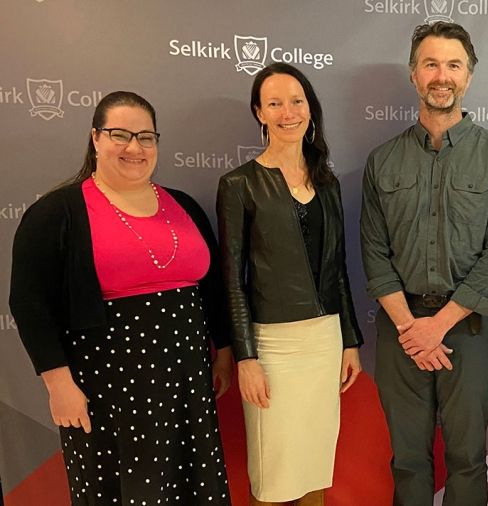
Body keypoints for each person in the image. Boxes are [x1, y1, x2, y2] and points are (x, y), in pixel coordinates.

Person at [9, 91, 233, 505]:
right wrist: (59, 384)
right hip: (107, 392)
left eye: (146, 137)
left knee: (193, 490)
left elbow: (213, 290)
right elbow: (29, 303)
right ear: (95, 138)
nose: (135, 147)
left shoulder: (182, 205)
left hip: (187, 386)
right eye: (120, 134)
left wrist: (222, 353)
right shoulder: (57, 213)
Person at [360, 21, 488, 506]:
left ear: (468, 76)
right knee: (407, 457)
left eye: (453, 65)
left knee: (468, 457)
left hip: (467, 328)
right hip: (399, 327)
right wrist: (413, 328)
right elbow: (373, 251)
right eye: (431, 64)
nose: (441, 75)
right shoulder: (382, 161)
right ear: (413, 75)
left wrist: (440, 325)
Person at [216, 62, 363, 506]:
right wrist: (246, 357)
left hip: (324, 343)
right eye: (274, 103)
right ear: (259, 113)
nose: (287, 112)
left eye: (296, 101)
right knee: (275, 470)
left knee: (315, 463)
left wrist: (349, 341)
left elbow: (338, 269)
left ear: (310, 109)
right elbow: (232, 279)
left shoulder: (328, 183)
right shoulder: (238, 184)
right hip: (272, 348)